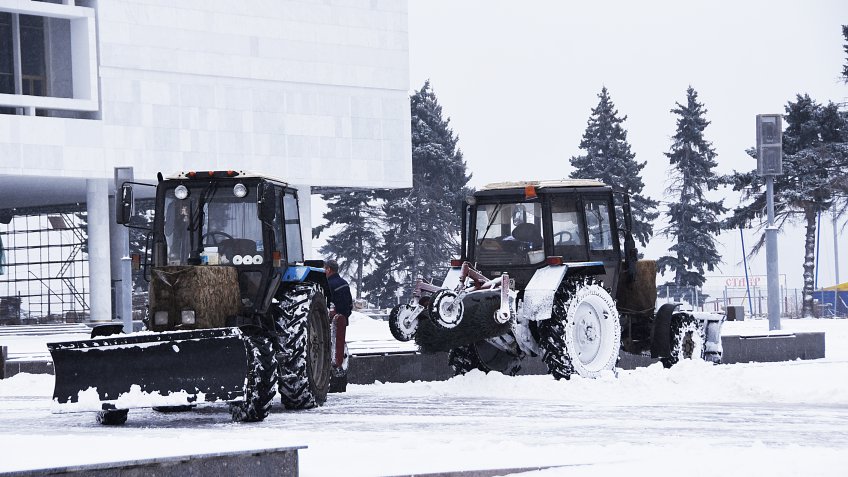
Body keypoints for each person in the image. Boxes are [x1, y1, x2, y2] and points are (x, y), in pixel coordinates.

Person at [324, 259, 352, 371]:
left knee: (330, 344)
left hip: (332, 320)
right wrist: (345, 315)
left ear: (329, 269)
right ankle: (339, 364)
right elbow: (349, 303)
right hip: (343, 318)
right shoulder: (345, 283)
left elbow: (327, 303)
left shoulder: (328, 284)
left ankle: (333, 364)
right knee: (339, 342)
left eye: (325, 269)